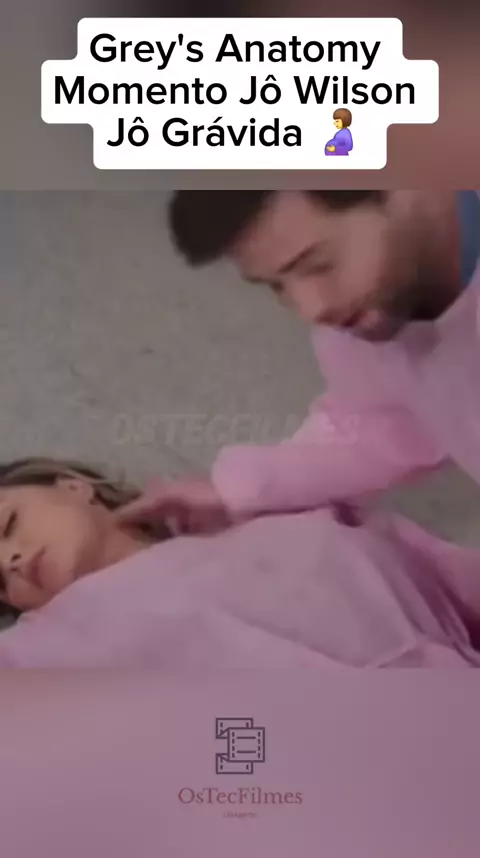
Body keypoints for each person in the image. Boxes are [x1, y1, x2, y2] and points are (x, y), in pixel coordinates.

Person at [118, 190, 480, 545]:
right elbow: (379, 422)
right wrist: (242, 488)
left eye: (319, 264)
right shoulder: (364, 322)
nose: (310, 309)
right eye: (276, 286)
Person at [0, 456, 479, 668]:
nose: (10, 561)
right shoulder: (40, 652)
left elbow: (451, 584)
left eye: (8, 525)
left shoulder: (279, 513)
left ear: (74, 487)